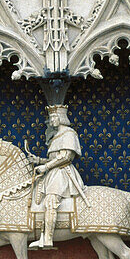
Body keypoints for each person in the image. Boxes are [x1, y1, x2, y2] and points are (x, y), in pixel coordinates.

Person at [27, 104, 87, 249]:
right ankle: (42, 235)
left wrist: (45, 167)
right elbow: (53, 158)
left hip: (62, 173)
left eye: (54, 117)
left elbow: (65, 157)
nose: (51, 120)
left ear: (61, 117)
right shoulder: (56, 136)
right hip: (52, 172)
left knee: (51, 201)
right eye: (50, 117)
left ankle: (48, 239)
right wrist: (39, 161)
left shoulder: (69, 134)